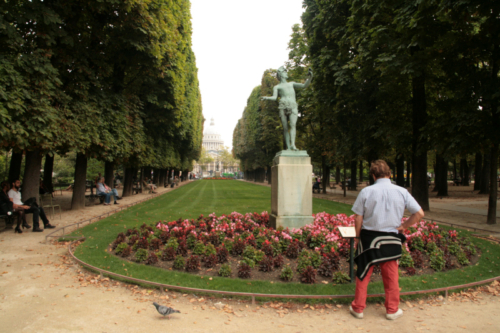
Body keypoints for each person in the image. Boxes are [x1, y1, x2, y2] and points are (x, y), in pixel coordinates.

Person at [350, 160, 424, 320]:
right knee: (391, 276)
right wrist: (404, 225)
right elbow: (419, 214)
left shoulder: (366, 192)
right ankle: (392, 310)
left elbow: (358, 218)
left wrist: (357, 237)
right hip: (391, 239)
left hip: (369, 239)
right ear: (390, 174)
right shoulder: (402, 191)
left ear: (373, 175)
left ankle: (358, 308)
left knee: (363, 274)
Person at [261, 66, 313, 151]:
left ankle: (293, 145)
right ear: (281, 75)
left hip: (293, 105)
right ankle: (288, 147)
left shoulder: (291, 83)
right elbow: (274, 98)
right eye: (285, 72)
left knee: (293, 125)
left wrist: (310, 77)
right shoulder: (277, 87)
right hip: (283, 105)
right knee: (285, 128)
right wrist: (266, 98)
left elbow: (304, 86)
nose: (286, 73)